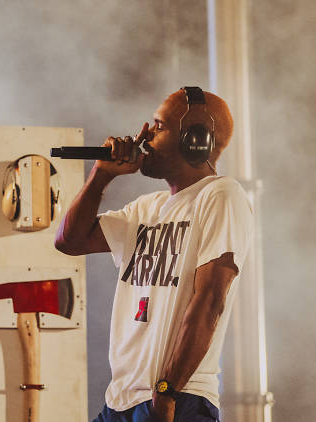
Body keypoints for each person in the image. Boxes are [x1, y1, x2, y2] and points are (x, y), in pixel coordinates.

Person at [55, 87, 253, 422]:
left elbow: (209, 301)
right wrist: (101, 174)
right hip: (121, 402)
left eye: (159, 126)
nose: (144, 135)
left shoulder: (220, 195)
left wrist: (166, 392)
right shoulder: (146, 208)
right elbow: (69, 242)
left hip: (178, 399)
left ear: (195, 140)